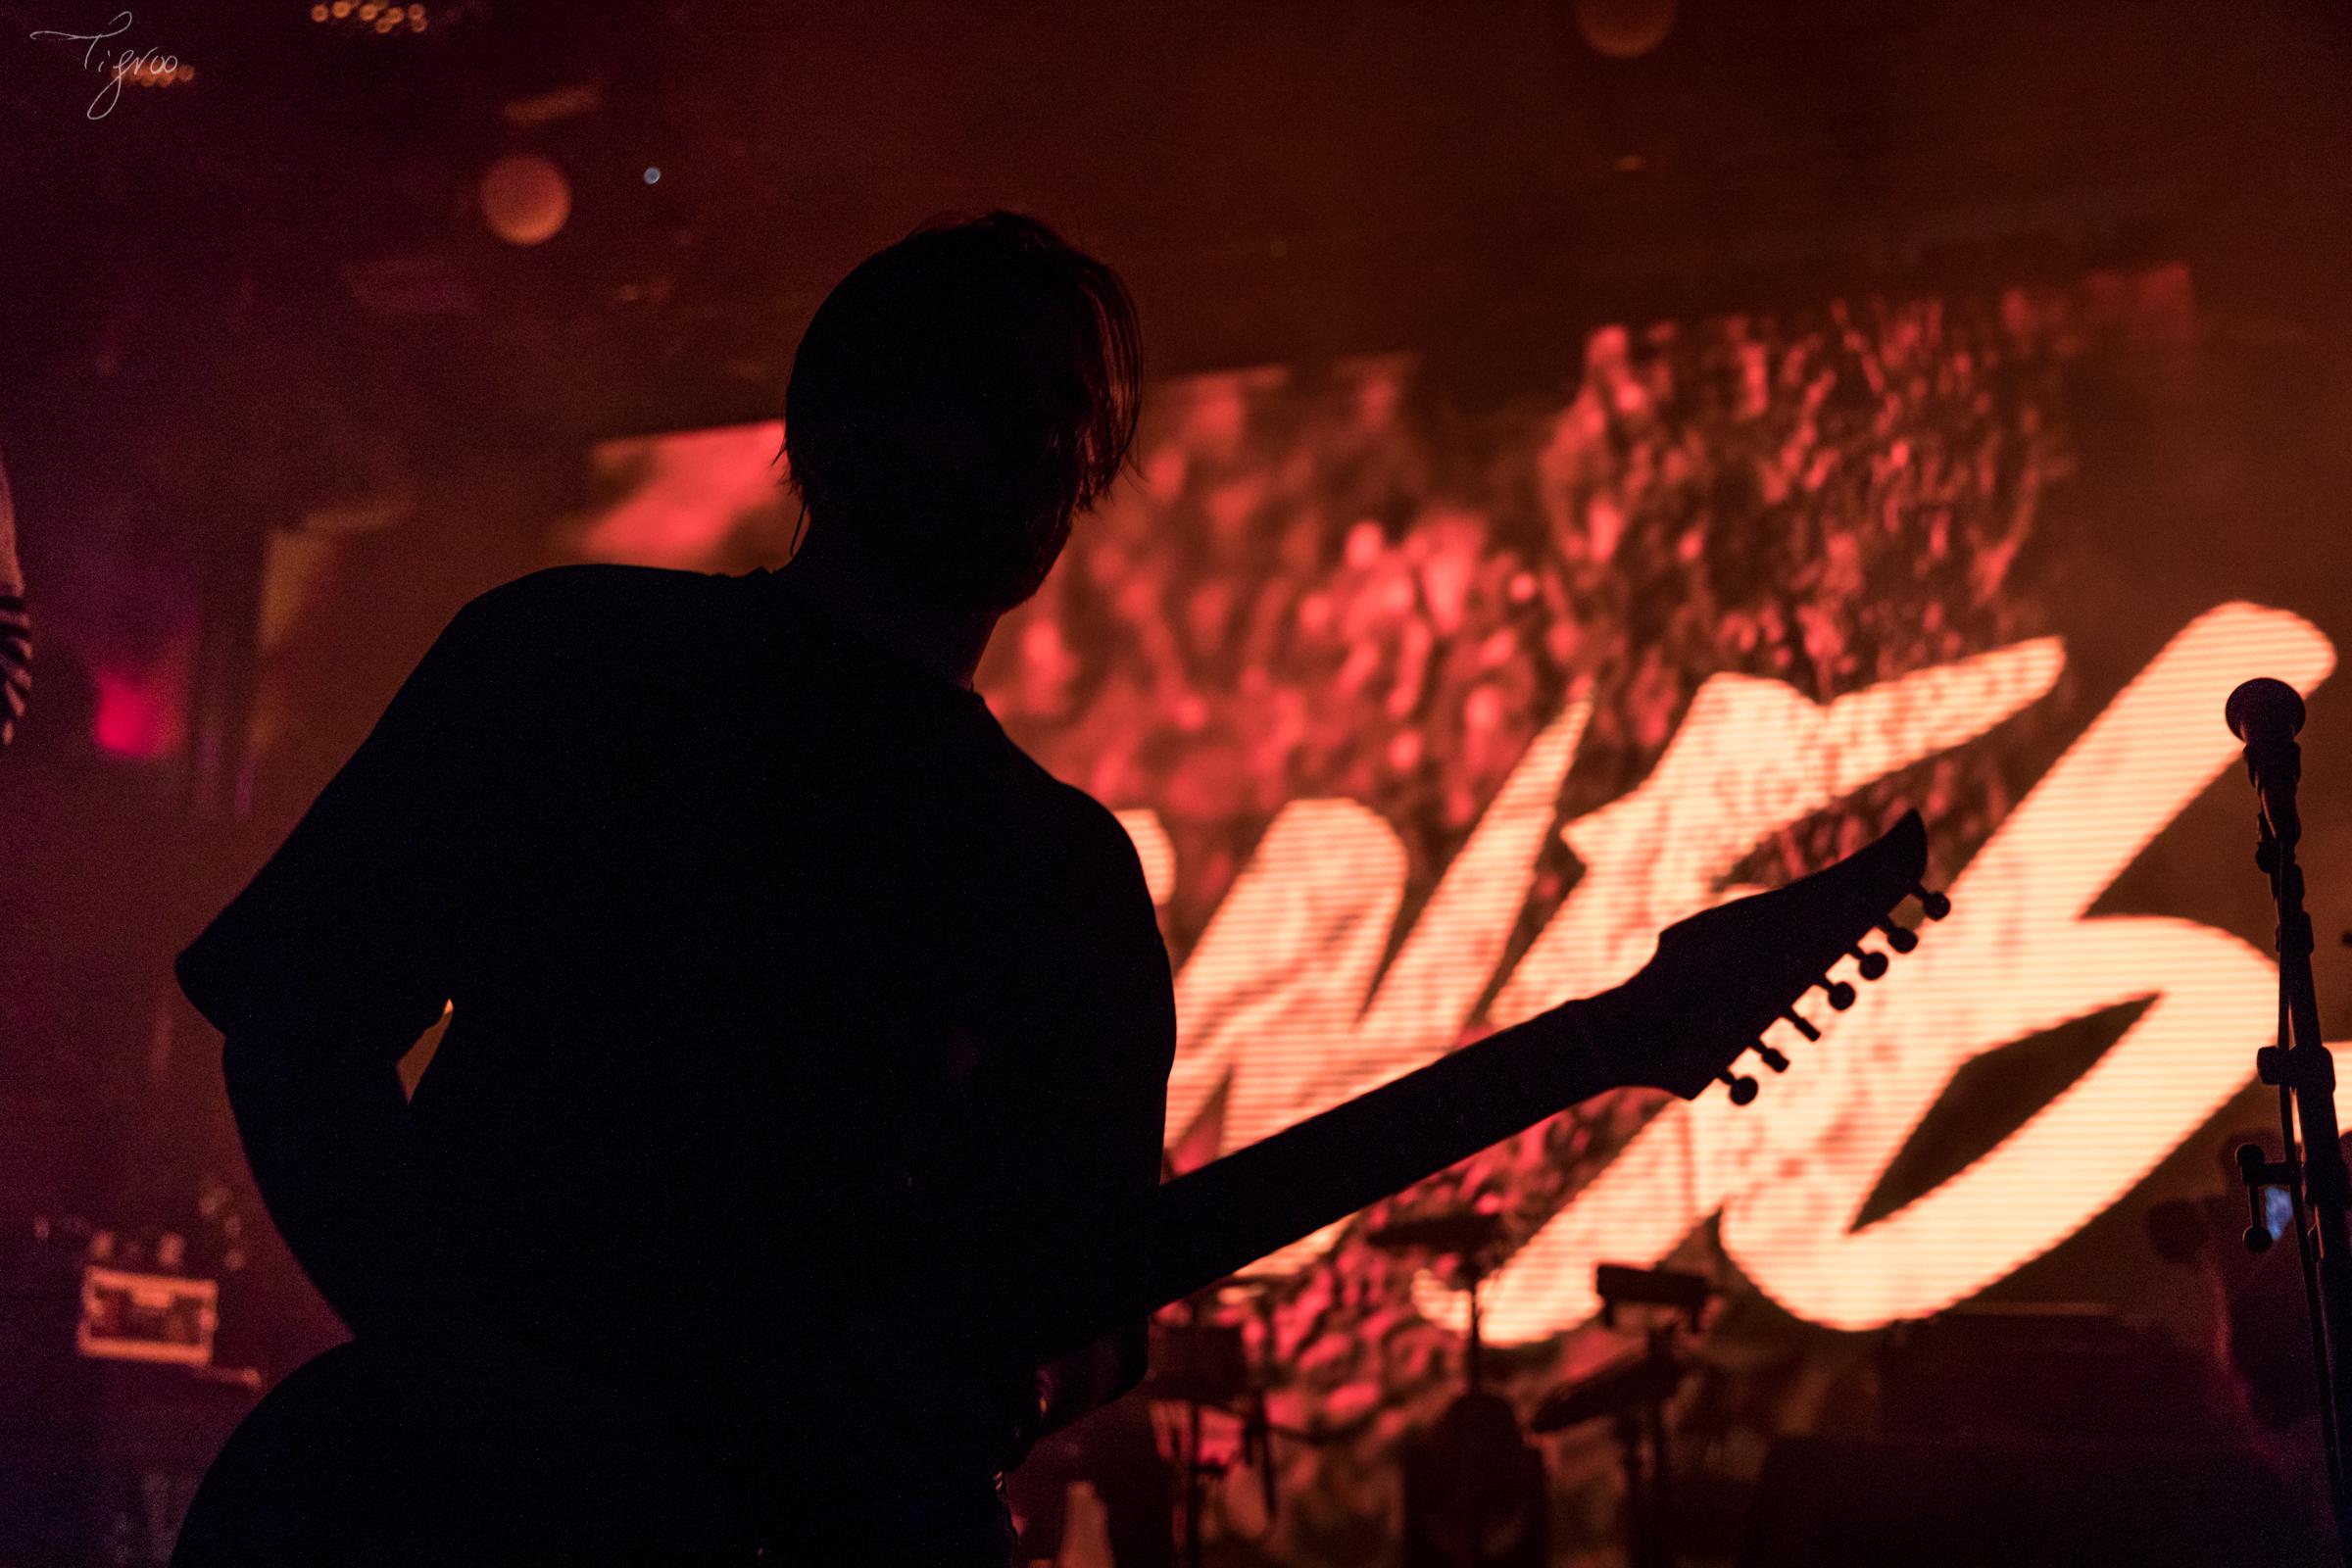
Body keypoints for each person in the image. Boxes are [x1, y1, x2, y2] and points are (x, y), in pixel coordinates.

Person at [173, 212, 1171, 1564]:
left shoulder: (1071, 872)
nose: (1044, 443)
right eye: (993, 392)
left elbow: (1099, 1289)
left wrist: (1018, 1382)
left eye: (1068, 411)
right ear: (841, 417)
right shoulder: (573, 665)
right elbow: (300, 1027)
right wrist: (486, 1390)